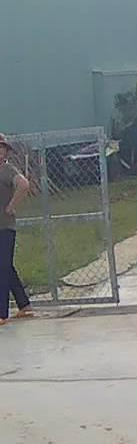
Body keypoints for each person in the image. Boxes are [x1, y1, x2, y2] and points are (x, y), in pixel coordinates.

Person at [0, 133, 34, 326]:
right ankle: (24, 305)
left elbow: (23, 185)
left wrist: (11, 206)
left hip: (5, 227)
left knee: (2, 268)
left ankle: (1, 313)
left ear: (6, 151)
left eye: (1, 148)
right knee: (6, 267)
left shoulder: (7, 170)